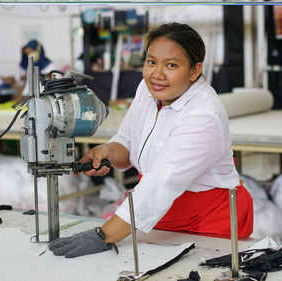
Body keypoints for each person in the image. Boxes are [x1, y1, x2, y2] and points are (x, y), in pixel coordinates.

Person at [49, 23, 254, 258]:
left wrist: (102, 235)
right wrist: (107, 151)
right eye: (151, 62)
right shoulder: (148, 90)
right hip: (159, 216)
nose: (157, 74)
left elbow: (160, 183)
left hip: (209, 225)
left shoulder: (202, 115)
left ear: (195, 70)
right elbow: (127, 139)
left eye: (171, 65)